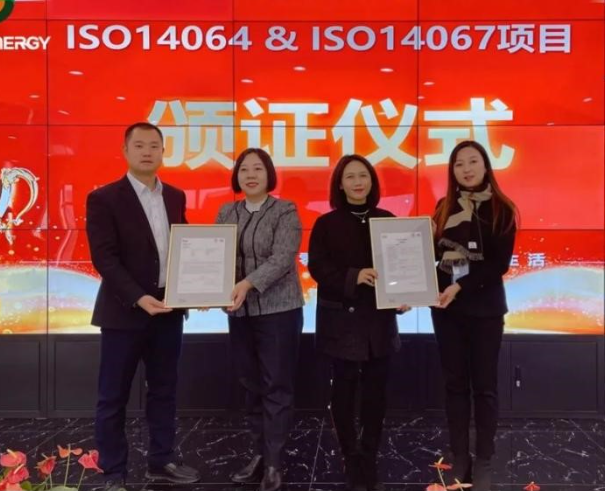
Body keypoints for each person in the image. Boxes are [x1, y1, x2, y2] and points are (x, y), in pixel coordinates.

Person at [86, 122, 200, 491]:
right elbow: (104, 258)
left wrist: (196, 290)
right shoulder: (104, 198)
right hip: (124, 312)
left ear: (163, 152)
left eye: (154, 146)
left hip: (168, 311)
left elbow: (185, 249)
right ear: (125, 151)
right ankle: (113, 472)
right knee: (112, 396)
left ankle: (161, 461)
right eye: (139, 145)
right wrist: (138, 296)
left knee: (164, 390)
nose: (147, 152)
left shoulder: (176, 196)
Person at [308, 154, 407, 491]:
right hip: (342, 321)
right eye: (349, 176)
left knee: (376, 394)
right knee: (345, 391)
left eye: (363, 175)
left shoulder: (387, 220)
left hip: (379, 320)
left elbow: (401, 268)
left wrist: (404, 294)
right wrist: (354, 276)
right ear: (340, 184)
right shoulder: (326, 224)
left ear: (372, 181)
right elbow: (318, 269)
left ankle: (369, 454)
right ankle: (350, 456)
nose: (357, 182)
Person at [215, 148, 305, 491]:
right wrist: (209, 290)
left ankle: (274, 462)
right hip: (239, 312)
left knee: (276, 386)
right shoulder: (227, 212)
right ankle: (258, 453)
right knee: (250, 384)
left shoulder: (285, 211)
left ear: (269, 175)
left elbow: (282, 258)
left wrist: (246, 283)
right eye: (244, 169)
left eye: (258, 169)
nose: (250, 175)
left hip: (278, 311)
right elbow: (215, 257)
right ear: (236, 176)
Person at [431, 140, 518, 491]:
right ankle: (459, 456)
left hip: (485, 311)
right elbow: (434, 258)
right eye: (459, 164)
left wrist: (461, 286)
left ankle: (483, 457)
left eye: (472, 162)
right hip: (447, 310)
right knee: (454, 385)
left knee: (484, 387)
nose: (466, 169)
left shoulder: (502, 209)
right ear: (452, 171)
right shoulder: (443, 208)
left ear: (485, 166)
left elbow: (498, 264)